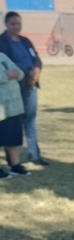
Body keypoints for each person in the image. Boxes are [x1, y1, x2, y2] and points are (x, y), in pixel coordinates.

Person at [0, 11, 47, 164]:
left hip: (31, 85)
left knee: (31, 119)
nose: (16, 27)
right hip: (13, 89)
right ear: (6, 24)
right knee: (14, 122)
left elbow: (36, 58)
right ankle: (13, 159)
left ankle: (34, 155)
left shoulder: (25, 41)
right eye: (13, 24)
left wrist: (37, 71)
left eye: (18, 24)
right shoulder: (2, 42)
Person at [0, 50, 29, 178]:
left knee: (12, 137)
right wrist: (7, 75)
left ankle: (15, 165)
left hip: (14, 105)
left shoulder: (2, 56)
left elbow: (20, 73)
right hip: (1, 106)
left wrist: (13, 73)